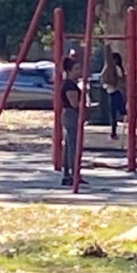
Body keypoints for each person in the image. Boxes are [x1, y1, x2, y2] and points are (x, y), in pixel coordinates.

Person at [60, 57, 86, 186]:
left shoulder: (70, 84)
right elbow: (74, 103)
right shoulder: (69, 85)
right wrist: (85, 105)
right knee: (72, 145)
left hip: (69, 114)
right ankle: (72, 173)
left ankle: (68, 173)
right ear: (69, 71)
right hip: (71, 114)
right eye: (76, 69)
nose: (79, 71)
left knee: (70, 143)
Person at [100, 49, 127, 140]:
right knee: (113, 114)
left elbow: (119, 79)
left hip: (115, 92)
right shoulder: (108, 68)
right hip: (111, 92)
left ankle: (113, 132)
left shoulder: (116, 68)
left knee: (120, 111)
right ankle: (113, 132)